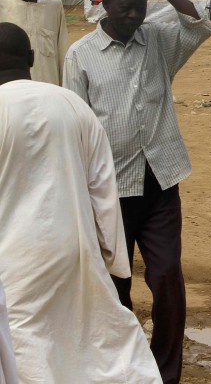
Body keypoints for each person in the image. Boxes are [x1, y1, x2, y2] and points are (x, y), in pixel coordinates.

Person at [64, 0, 211, 384]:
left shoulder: (159, 42)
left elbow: (200, 22)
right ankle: (125, 369)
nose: (134, 17)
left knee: (167, 277)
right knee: (116, 287)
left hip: (161, 181)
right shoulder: (81, 56)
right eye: (126, 9)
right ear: (106, 5)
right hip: (110, 190)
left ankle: (166, 373)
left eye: (140, 9)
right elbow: (76, 128)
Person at [0, 22, 162, 384]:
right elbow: (104, 189)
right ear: (30, 58)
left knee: (28, 349)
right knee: (87, 341)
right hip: (73, 251)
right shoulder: (71, 103)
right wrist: (113, 259)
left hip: (13, 261)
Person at [0, 0, 68, 85]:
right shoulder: (2, 3)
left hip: (48, 88)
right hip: (10, 91)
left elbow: (63, 52)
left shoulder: (53, 5)